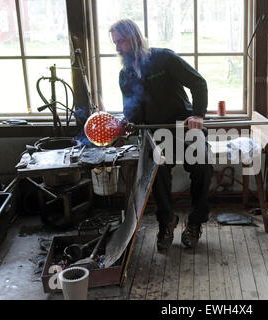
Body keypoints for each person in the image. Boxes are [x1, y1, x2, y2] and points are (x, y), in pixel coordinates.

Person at [109, 19, 213, 250]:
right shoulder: (125, 75)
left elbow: (198, 83)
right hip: (155, 133)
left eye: (121, 41)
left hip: (185, 127)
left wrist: (198, 115)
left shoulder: (164, 58)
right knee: (156, 170)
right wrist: (125, 125)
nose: (117, 48)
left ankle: (195, 223)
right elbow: (132, 112)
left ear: (134, 38)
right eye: (114, 43)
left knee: (203, 166)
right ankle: (167, 221)